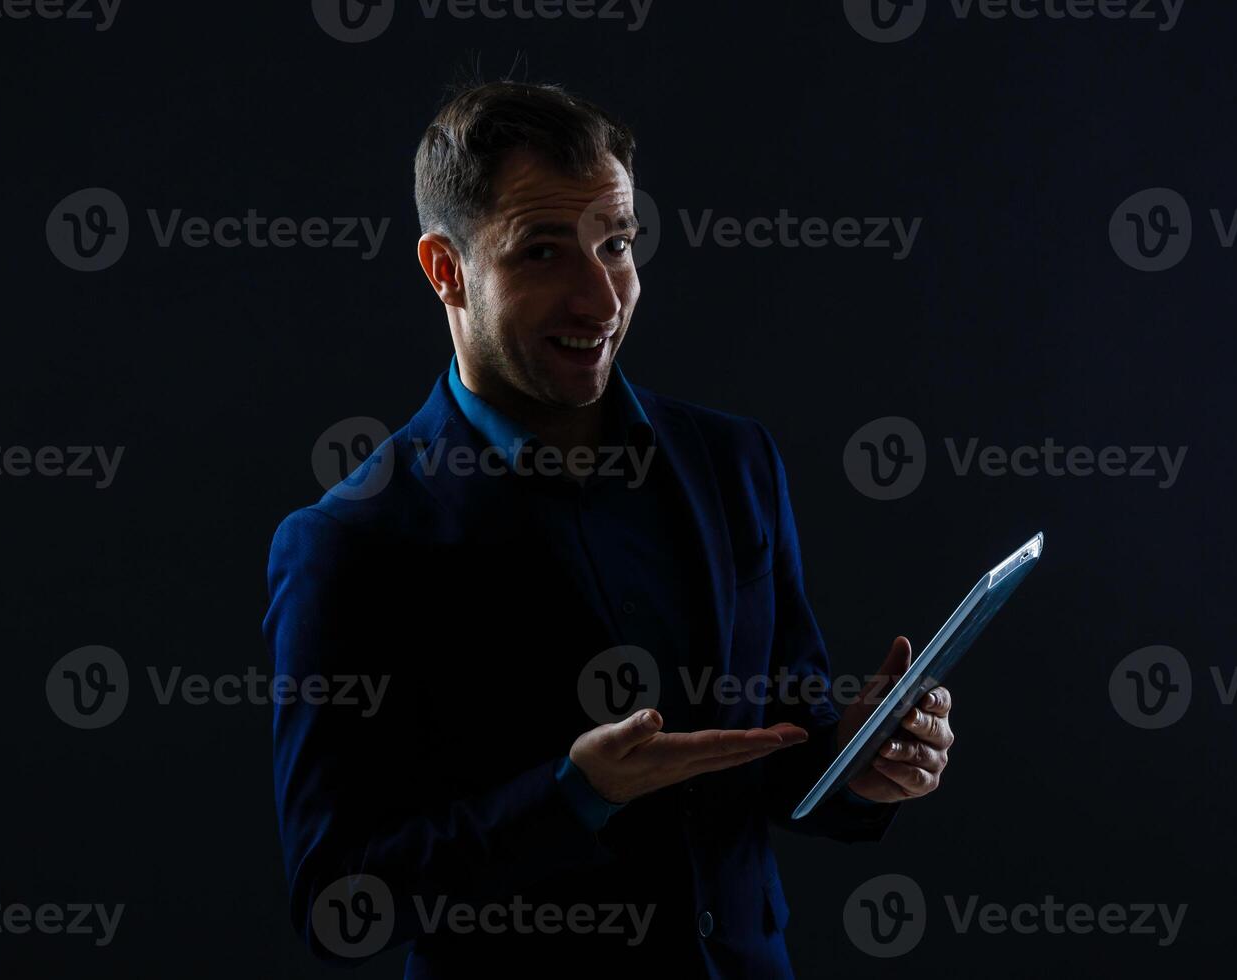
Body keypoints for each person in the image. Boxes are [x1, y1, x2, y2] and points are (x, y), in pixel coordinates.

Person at [263, 78, 954, 979]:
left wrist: (858, 764)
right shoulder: (349, 543)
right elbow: (335, 900)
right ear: (445, 270)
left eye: (616, 244)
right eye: (543, 252)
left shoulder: (734, 462)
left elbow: (779, 745)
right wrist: (573, 797)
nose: (600, 298)